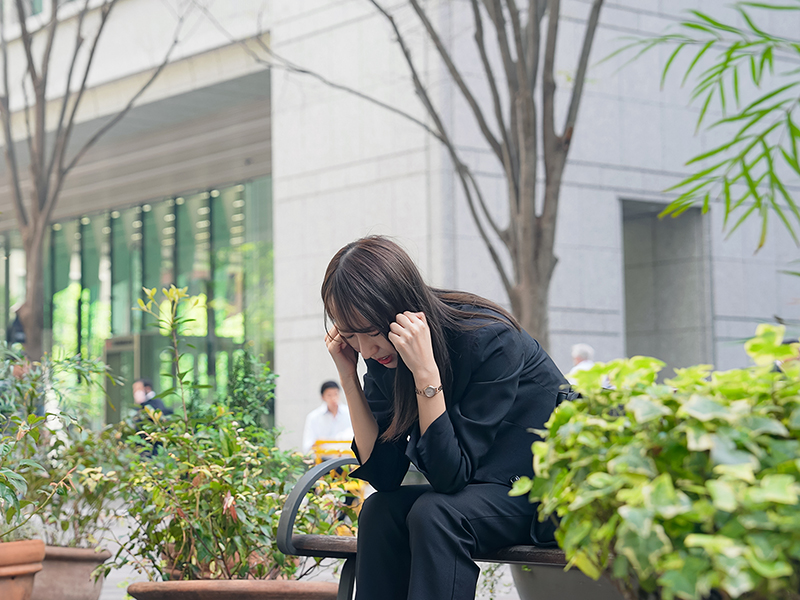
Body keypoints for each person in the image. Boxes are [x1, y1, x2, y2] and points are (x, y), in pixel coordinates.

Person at [321, 236, 568, 600]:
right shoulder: (380, 357)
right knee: (378, 511)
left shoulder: (488, 338)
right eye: (351, 335)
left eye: (372, 333)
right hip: (475, 490)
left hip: (535, 491)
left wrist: (425, 374)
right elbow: (384, 476)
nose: (366, 349)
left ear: (402, 309)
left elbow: (449, 477)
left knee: (436, 513)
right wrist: (347, 376)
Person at [302, 380, 354, 454]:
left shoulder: (350, 413)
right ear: (323, 397)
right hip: (323, 459)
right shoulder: (313, 417)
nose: (333, 398)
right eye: (329, 395)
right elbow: (307, 445)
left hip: (347, 458)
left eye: (336, 394)